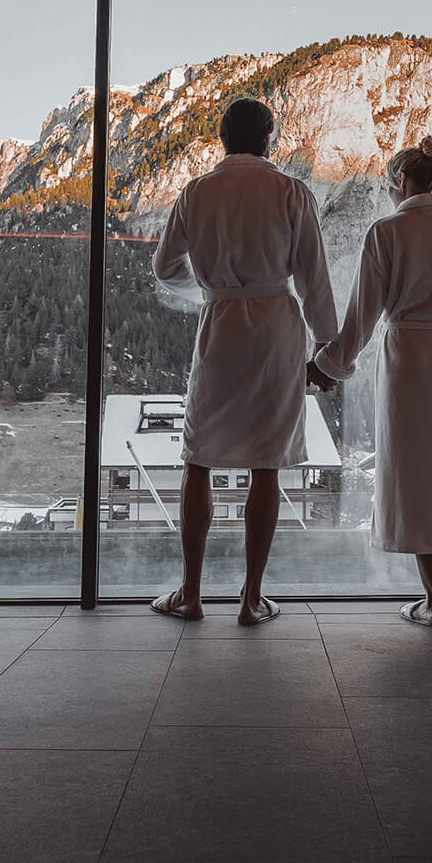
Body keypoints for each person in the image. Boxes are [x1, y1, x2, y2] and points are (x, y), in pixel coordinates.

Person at [150, 98, 338, 626]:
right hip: (277, 329)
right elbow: (313, 279)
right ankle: (251, 599)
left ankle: (190, 592)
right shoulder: (290, 191)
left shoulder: (196, 193)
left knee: (198, 457)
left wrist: (211, 292)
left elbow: (165, 267)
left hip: (221, 328)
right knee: (265, 463)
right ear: (269, 138)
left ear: (222, 138)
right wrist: (327, 351)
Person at [309, 135, 432, 629]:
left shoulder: (386, 232)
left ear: (401, 181)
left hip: (406, 360)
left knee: (414, 477)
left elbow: (363, 315)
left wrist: (328, 365)